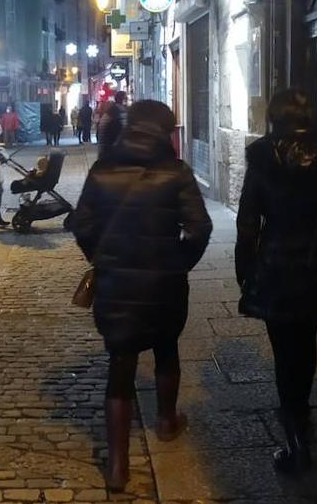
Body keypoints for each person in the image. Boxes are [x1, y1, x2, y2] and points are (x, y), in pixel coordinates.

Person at [71, 100, 212, 492]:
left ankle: (118, 465)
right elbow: (199, 228)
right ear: (163, 131)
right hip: (164, 281)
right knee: (166, 347)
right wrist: (179, 261)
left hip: (116, 282)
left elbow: (82, 224)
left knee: (121, 363)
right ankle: (166, 421)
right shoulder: (176, 172)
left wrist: (100, 257)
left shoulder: (102, 170)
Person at [235, 89, 317, 474]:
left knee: (284, 351)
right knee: (306, 344)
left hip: (276, 267)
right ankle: (302, 414)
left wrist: (245, 270)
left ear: (274, 116)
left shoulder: (263, 157)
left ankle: (295, 436)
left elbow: (248, 223)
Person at [97, 91, 128, 159]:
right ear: (123, 100)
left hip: (107, 150)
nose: (127, 100)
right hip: (112, 152)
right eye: (126, 98)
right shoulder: (116, 113)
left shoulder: (112, 111)